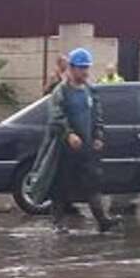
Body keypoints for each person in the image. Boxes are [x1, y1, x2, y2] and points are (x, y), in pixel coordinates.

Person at [24, 48, 118, 232]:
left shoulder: (90, 91)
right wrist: (68, 134)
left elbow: (97, 115)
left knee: (93, 183)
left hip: (86, 148)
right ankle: (58, 223)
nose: (85, 72)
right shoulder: (62, 91)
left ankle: (102, 220)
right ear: (72, 68)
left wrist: (98, 135)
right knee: (61, 187)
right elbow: (56, 116)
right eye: (81, 68)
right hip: (64, 149)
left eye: (87, 68)